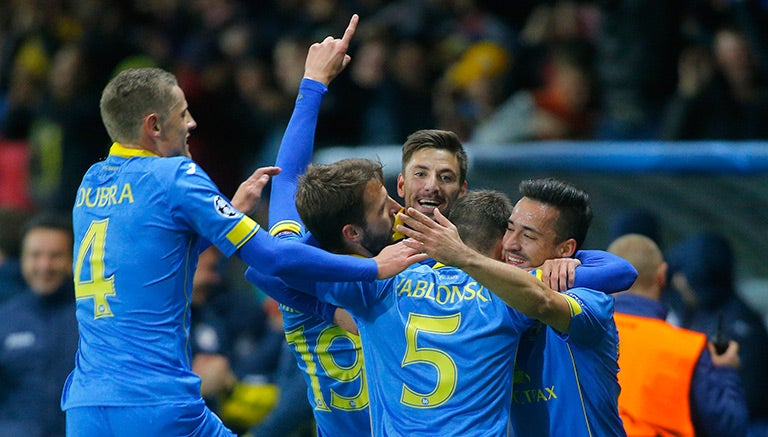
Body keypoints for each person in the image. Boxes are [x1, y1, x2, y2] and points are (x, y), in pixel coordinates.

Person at [61, 14, 421, 436]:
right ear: (153, 126)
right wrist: (375, 267)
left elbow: (154, 263)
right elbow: (270, 259)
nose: (192, 123)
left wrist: (224, 212)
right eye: (183, 113)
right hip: (158, 404)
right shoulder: (176, 177)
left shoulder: (92, 181)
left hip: (86, 406)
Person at [249, 189, 586, 435]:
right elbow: (618, 270)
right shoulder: (511, 295)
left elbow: (265, 270)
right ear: (499, 247)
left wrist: (328, 311)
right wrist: (567, 264)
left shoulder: (381, 283)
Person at [400, 177, 635, 436]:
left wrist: (575, 263)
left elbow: (544, 303)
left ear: (565, 249)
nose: (511, 243)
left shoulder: (592, 302)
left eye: (528, 235)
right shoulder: (488, 297)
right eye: (510, 229)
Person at [607, 233, 748, 437]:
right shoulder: (686, 349)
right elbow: (729, 427)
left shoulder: (574, 339)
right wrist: (726, 370)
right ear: (662, 274)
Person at [667, 231, 768, 436]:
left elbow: (748, 399)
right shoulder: (698, 310)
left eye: (684, 278)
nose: (679, 283)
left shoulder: (738, 326)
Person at [0, 212, 78, 437]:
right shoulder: (5, 318)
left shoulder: (93, 319)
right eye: (35, 255)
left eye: (55, 256)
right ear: (22, 259)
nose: (44, 265)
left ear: (72, 259)